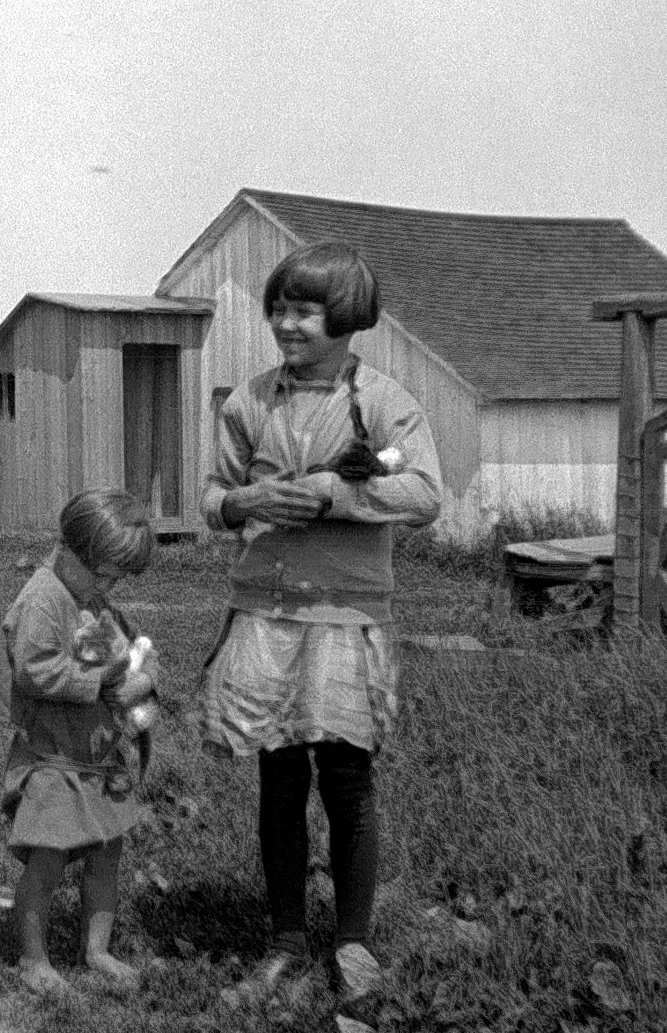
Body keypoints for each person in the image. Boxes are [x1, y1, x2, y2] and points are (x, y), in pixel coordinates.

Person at [198, 241, 442, 1008]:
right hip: (266, 613)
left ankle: (353, 942)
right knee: (278, 779)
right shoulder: (249, 401)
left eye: (304, 311)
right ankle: (284, 940)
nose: (286, 323)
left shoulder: (386, 402)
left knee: (346, 780)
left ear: (347, 318)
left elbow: (427, 493)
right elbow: (212, 495)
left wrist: (335, 497)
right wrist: (243, 504)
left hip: (344, 615)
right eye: (279, 308)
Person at [0, 488, 158, 996]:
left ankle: (97, 949)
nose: (108, 587)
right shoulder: (43, 598)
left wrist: (140, 673)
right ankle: (33, 958)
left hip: (96, 758)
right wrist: (103, 683)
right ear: (69, 551)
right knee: (48, 859)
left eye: (117, 578)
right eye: (103, 574)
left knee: (107, 855)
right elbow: (33, 670)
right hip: (54, 758)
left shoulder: (89, 596)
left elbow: (124, 652)